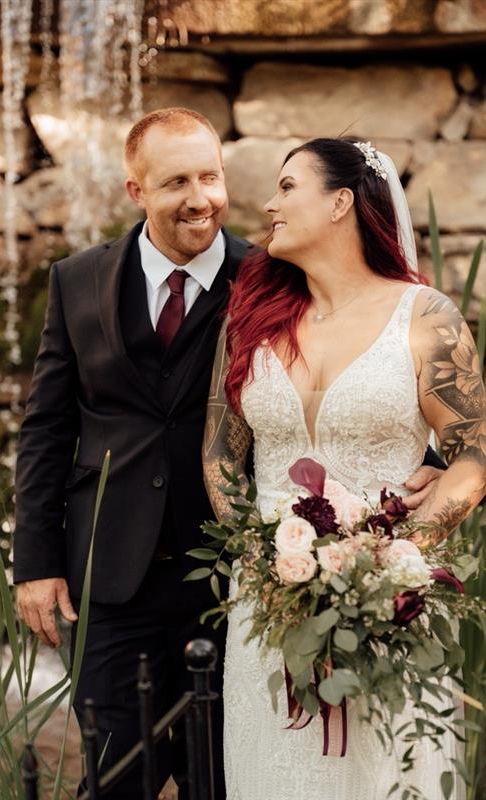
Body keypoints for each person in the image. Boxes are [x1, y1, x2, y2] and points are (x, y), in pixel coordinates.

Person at [13, 110, 443, 800]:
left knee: (229, 777)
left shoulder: (274, 276)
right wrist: (35, 562)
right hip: (111, 574)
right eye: (176, 181)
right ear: (135, 190)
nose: (200, 197)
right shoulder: (77, 281)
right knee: (114, 776)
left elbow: (368, 370)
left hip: (240, 583)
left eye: (210, 177)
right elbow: (46, 427)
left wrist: (430, 462)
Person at [203, 138, 486, 800]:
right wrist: (257, 560)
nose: (268, 205)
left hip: (390, 604)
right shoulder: (247, 322)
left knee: (380, 774)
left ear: (340, 203)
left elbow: (471, 454)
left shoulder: (424, 318)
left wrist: (399, 563)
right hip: (268, 606)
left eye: (286, 187)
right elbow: (219, 456)